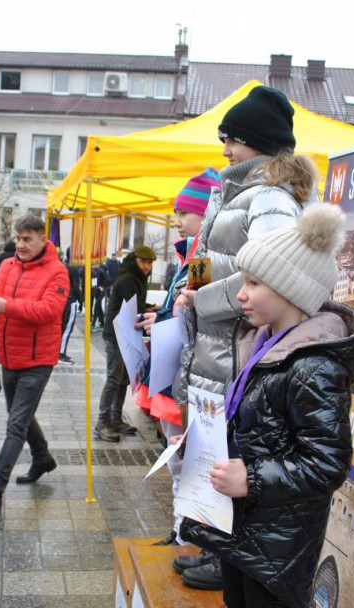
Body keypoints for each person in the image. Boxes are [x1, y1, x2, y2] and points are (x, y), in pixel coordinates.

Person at [180, 204, 354, 608]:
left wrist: (253, 477)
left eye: (253, 283)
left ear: (290, 289)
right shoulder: (263, 340)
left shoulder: (313, 366)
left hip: (279, 534)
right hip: (246, 524)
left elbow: (327, 463)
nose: (240, 295)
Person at [173, 85, 317, 591]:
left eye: (232, 139)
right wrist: (195, 283)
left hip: (238, 346)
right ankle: (214, 547)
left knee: (234, 452)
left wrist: (204, 296)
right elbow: (230, 262)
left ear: (258, 142)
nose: (226, 150)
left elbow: (267, 272)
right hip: (221, 344)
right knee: (218, 452)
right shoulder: (241, 191)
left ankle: (225, 558)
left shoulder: (271, 197)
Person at [133, 169, 220, 544]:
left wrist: (167, 319)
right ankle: (179, 527)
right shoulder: (189, 257)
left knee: (185, 457)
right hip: (176, 369)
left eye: (184, 212)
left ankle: (186, 533)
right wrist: (161, 316)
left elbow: (198, 309)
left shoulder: (204, 256)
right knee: (176, 455)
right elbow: (182, 308)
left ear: (203, 214)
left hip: (188, 374)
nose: (177, 220)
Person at [0, 214, 70, 511]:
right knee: (22, 416)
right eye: (17, 238)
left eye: (27, 239)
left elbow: (49, 310)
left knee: (15, 423)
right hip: (8, 356)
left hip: (37, 359)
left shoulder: (57, 272)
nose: (20, 244)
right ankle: (42, 458)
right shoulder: (7, 266)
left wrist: (8, 306)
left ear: (43, 239)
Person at [93, 245, 156, 442]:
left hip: (126, 334)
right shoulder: (129, 279)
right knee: (114, 379)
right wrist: (151, 312)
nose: (146, 266)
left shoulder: (136, 278)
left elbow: (136, 305)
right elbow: (134, 308)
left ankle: (116, 419)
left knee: (122, 380)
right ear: (135, 260)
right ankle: (102, 422)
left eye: (149, 262)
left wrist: (152, 308)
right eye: (143, 261)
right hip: (117, 335)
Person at [59, 248, 84, 365]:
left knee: (61, 327)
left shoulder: (62, 265)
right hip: (70, 300)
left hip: (62, 299)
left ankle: (59, 351)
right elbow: (76, 287)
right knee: (67, 328)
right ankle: (61, 353)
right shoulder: (73, 269)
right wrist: (81, 301)